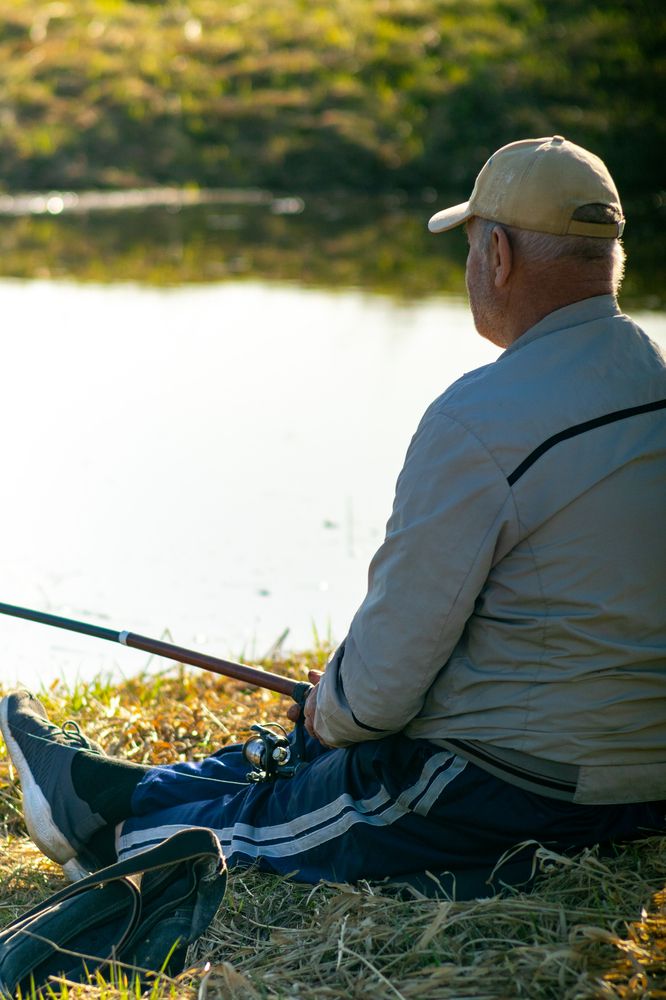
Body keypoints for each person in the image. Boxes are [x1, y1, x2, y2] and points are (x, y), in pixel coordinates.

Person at [2, 136, 665, 898]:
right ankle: (106, 785)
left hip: (519, 792)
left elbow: (379, 695)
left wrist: (337, 707)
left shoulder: (480, 421)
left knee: (300, 800)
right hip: (646, 784)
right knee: (325, 741)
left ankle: (109, 827)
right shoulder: (653, 380)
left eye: (473, 246)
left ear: (500, 256)